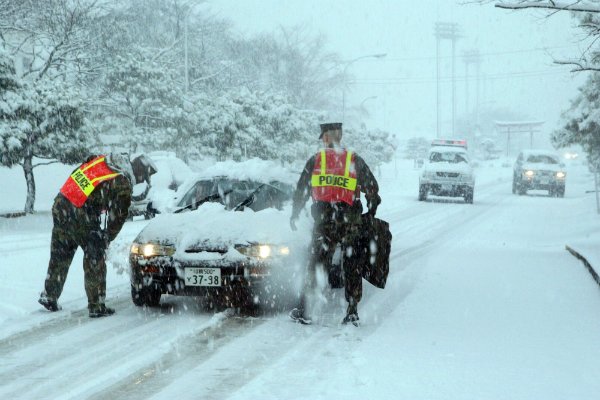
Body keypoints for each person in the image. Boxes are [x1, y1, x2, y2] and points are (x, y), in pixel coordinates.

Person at [289, 122, 381, 326]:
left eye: (323, 136)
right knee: (352, 264)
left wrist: (295, 212)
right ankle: (352, 311)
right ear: (340, 136)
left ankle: (304, 310)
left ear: (327, 137)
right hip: (351, 221)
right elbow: (372, 189)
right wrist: (371, 211)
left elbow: (301, 190)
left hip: (325, 221)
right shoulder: (353, 159)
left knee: (316, 263)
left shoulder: (316, 160)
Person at [38, 153, 133, 318]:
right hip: (82, 214)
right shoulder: (121, 179)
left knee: (60, 255)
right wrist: (107, 237)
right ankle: (96, 305)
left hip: (61, 207)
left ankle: (49, 295)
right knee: (94, 258)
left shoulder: (96, 163)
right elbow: (119, 215)